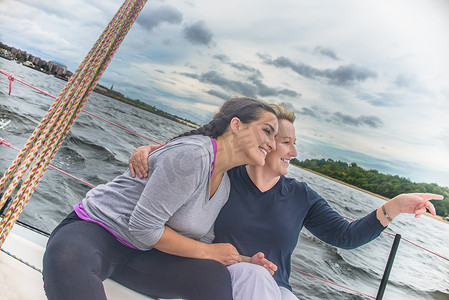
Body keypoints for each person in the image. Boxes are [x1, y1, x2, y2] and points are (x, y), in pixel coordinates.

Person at [130, 103, 443, 300]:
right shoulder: (226, 175)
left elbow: (345, 236)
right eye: (286, 142)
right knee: (255, 276)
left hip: (276, 290)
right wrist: (151, 151)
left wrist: (395, 206)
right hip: (219, 278)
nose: (294, 152)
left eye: (295, 143)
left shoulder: (301, 196)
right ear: (264, 143)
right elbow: (192, 160)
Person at [42, 97, 279, 300]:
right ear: (236, 125)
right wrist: (210, 253)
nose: (272, 143)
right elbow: (143, 228)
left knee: (212, 276)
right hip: (96, 232)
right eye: (267, 131)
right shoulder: (193, 155)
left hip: (142, 255)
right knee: (67, 258)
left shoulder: (224, 184)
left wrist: (242, 259)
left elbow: (198, 241)